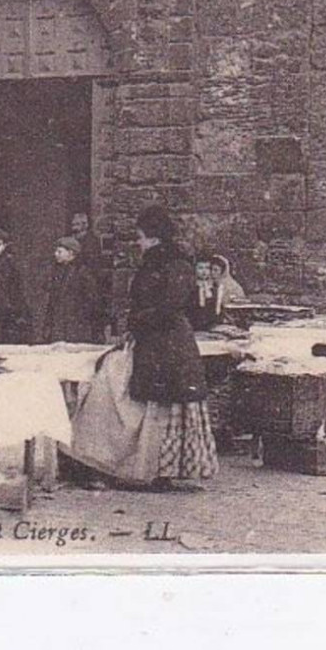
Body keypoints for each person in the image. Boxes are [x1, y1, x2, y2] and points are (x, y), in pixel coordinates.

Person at [63, 204, 217, 489]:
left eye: (141, 237)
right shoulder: (155, 262)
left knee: (147, 399)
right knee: (118, 389)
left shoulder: (177, 265)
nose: (138, 242)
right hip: (151, 339)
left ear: (155, 238)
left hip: (168, 344)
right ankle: (119, 463)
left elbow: (172, 306)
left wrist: (139, 321)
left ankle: (154, 468)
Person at [40, 236, 97, 343]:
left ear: (71, 253)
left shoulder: (82, 272)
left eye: (59, 251)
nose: (55, 254)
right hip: (58, 325)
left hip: (76, 326)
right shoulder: (55, 272)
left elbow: (91, 300)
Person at [70, 210, 111, 339]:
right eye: (73, 223)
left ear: (85, 225)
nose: (73, 225)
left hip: (88, 282)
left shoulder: (91, 241)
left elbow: (92, 263)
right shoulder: (72, 239)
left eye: (77, 223)